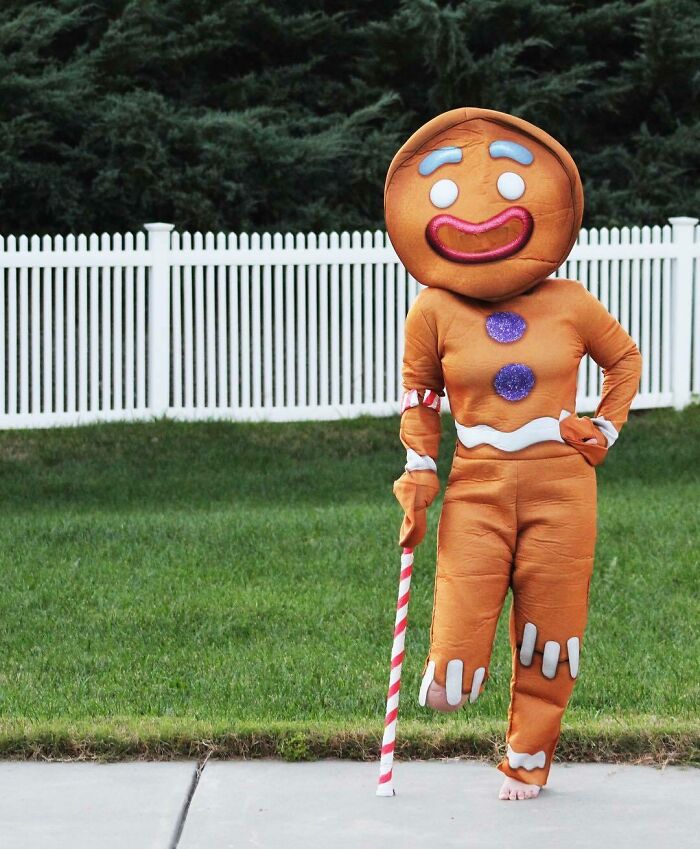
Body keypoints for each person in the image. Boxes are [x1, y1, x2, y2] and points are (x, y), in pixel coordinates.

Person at [386, 107, 642, 801]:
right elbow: (420, 398)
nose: (478, 213)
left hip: (563, 485)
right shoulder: (433, 309)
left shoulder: (571, 301)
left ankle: (528, 756)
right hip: (478, 482)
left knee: (550, 632)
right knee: (455, 649)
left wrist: (606, 427)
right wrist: (418, 467)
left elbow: (624, 361)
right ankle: (453, 662)